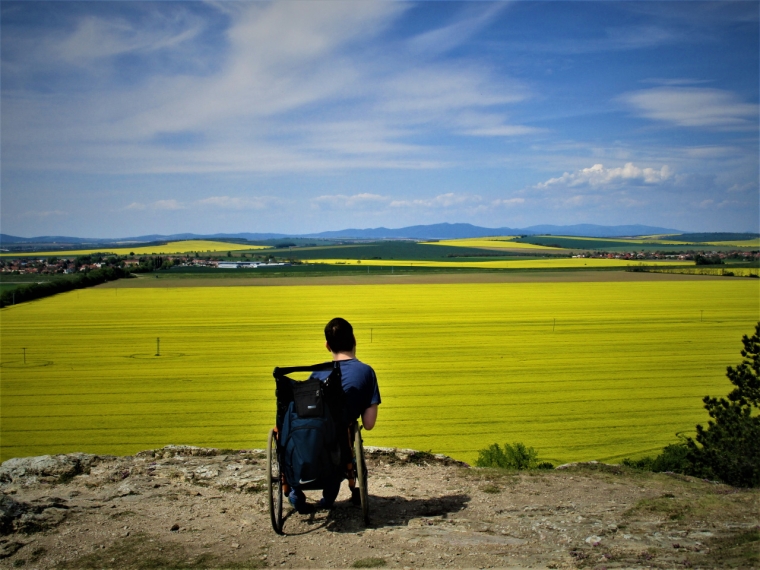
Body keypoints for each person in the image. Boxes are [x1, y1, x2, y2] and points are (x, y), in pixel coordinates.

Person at [288, 317, 381, 512]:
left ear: (327, 345)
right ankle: (327, 498)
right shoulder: (366, 372)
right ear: (354, 339)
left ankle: (296, 493)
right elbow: (369, 423)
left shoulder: (316, 375)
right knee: (338, 441)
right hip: (338, 445)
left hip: (307, 441)